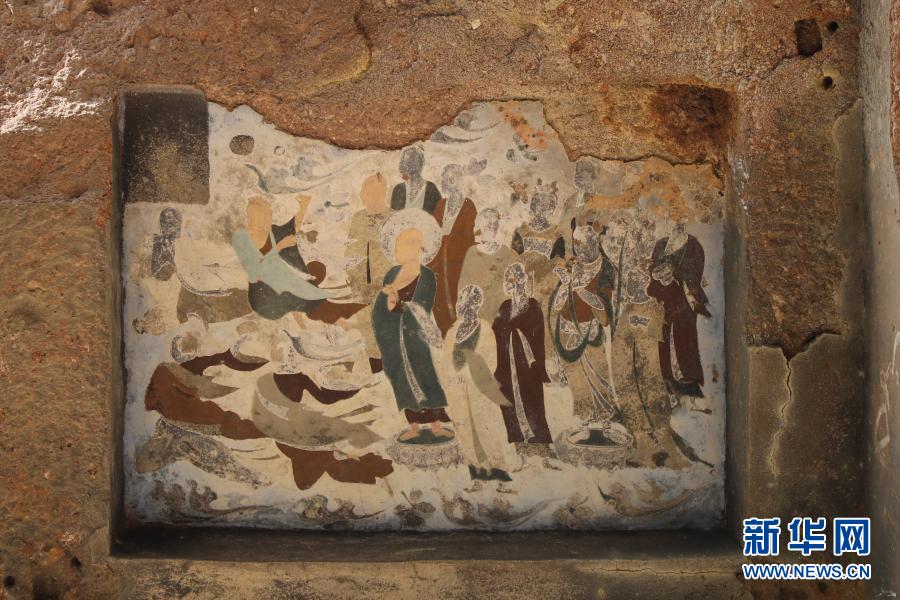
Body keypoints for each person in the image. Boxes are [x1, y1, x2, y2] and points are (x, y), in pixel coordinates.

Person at [372, 210, 452, 441]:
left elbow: (421, 307)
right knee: (400, 377)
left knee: (425, 374)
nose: (398, 249)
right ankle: (414, 426)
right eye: (397, 244)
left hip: (416, 337)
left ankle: (436, 424)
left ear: (417, 247)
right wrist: (387, 303)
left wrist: (397, 303)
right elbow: (380, 307)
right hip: (393, 340)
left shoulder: (427, 276)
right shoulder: (392, 273)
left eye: (403, 244)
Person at [231, 195, 365, 326]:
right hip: (265, 296)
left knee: (313, 289)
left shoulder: (272, 232)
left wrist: (303, 206)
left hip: (282, 287)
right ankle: (336, 319)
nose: (268, 215)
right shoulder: (240, 238)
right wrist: (279, 247)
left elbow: (291, 229)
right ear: (250, 212)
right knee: (312, 298)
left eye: (268, 211)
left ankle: (336, 318)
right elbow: (255, 273)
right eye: (263, 211)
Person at [442, 285, 516, 487]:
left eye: (467, 302)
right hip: (458, 391)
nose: (462, 305)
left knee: (488, 431)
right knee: (466, 433)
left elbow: (491, 361)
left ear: (475, 305)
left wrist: (469, 374)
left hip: (480, 391)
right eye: (461, 301)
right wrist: (452, 380)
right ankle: (478, 477)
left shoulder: (484, 329)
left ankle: (501, 477)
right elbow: (445, 361)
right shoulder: (454, 330)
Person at [647, 220, 710, 398]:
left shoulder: (694, 246)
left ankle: (690, 380)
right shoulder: (660, 245)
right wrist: (657, 273)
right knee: (663, 337)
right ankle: (667, 378)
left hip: (684, 302)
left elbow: (695, 275)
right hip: (665, 300)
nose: (673, 226)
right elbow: (653, 269)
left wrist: (675, 271)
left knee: (684, 336)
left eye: (677, 223)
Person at [492, 263, 553, 444]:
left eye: (513, 280)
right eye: (508, 280)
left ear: (521, 281)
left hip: (526, 365)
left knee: (531, 401)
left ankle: (539, 440)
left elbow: (537, 337)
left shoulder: (532, 306)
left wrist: (513, 325)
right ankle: (516, 439)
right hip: (505, 362)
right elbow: (495, 332)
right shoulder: (505, 306)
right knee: (507, 399)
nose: (510, 284)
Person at [428, 163, 478, 334]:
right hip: (438, 264)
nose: (450, 181)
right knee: (438, 300)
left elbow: (468, 239)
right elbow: (433, 232)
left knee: (457, 301)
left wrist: (447, 240)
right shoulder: (441, 205)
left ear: (460, 180)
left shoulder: (468, 206)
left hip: (458, 264)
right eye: (447, 178)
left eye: (454, 177)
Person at [458, 208, 518, 322]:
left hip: (500, 316)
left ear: (497, 226)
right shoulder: (472, 252)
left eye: (494, 219)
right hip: (476, 315)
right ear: (479, 225)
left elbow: (513, 288)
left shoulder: (507, 253)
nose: (490, 223)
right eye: (486, 218)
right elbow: (463, 288)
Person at [390, 146, 441, 215]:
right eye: (408, 161)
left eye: (414, 161)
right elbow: (393, 216)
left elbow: (437, 216)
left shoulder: (431, 188)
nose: (411, 165)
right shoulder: (398, 189)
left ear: (421, 163)